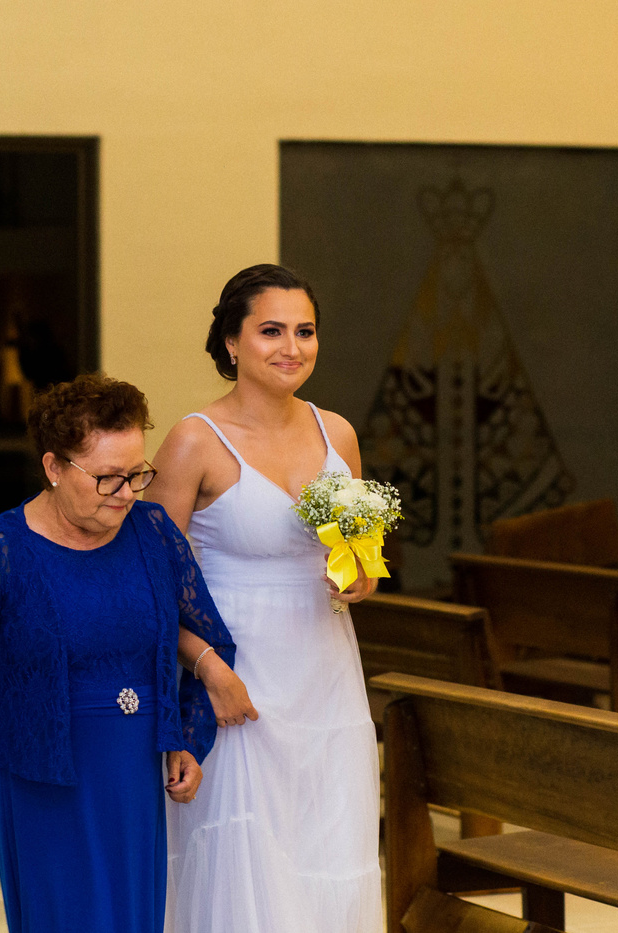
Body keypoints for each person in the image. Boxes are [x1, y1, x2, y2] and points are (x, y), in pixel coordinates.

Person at [0, 373, 236, 933]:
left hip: (134, 772)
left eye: (136, 474)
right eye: (107, 478)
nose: (126, 493)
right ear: (53, 467)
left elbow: (210, 634)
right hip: (41, 775)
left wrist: (189, 738)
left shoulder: (153, 533)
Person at [148, 264, 382, 933]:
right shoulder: (194, 439)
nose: (292, 347)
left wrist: (360, 575)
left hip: (326, 676)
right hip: (235, 677)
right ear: (232, 342)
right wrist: (207, 668)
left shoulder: (338, 434)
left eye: (305, 331)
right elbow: (149, 584)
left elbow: (359, 554)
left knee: (328, 849)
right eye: (271, 331)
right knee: (241, 858)